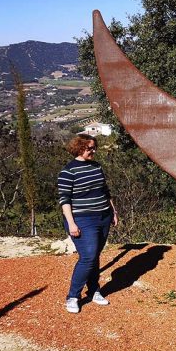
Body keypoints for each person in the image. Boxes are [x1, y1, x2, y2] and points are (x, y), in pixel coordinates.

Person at [58, 134, 118, 313]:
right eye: (90, 148)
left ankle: (93, 290)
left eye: (94, 147)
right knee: (88, 257)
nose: (93, 151)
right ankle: (73, 296)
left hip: (103, 216)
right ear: (79, 147)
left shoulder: (96, 167)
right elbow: (64, 200)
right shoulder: (68, 171)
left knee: (95, 256)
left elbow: (105, 191)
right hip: (83, 219)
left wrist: (113, 211)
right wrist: (71, 223)